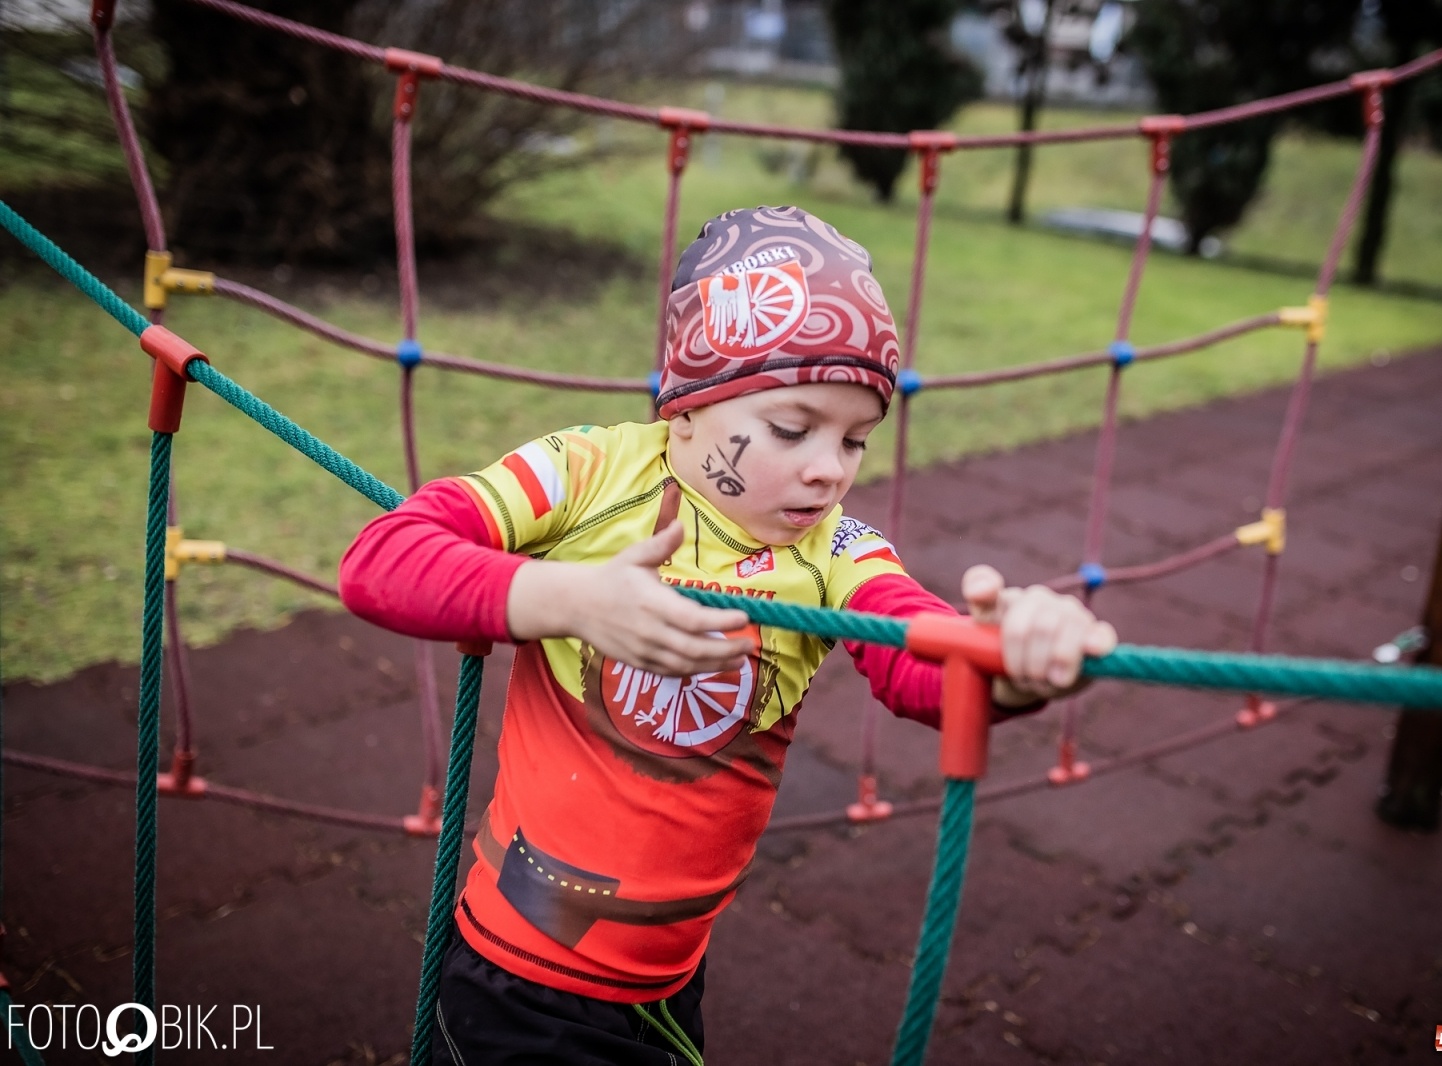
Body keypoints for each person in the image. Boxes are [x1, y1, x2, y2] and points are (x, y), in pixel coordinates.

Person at [340, 206, 1117, 1065]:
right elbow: (382, 559)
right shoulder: (589, 474)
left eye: (856, 439)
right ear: (686, 410)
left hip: (670, 977)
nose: (829, 466)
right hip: (522, 969)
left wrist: (1012, 658)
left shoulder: (836, 551)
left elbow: (920, 661)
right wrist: (567, 599)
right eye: (794, 429)